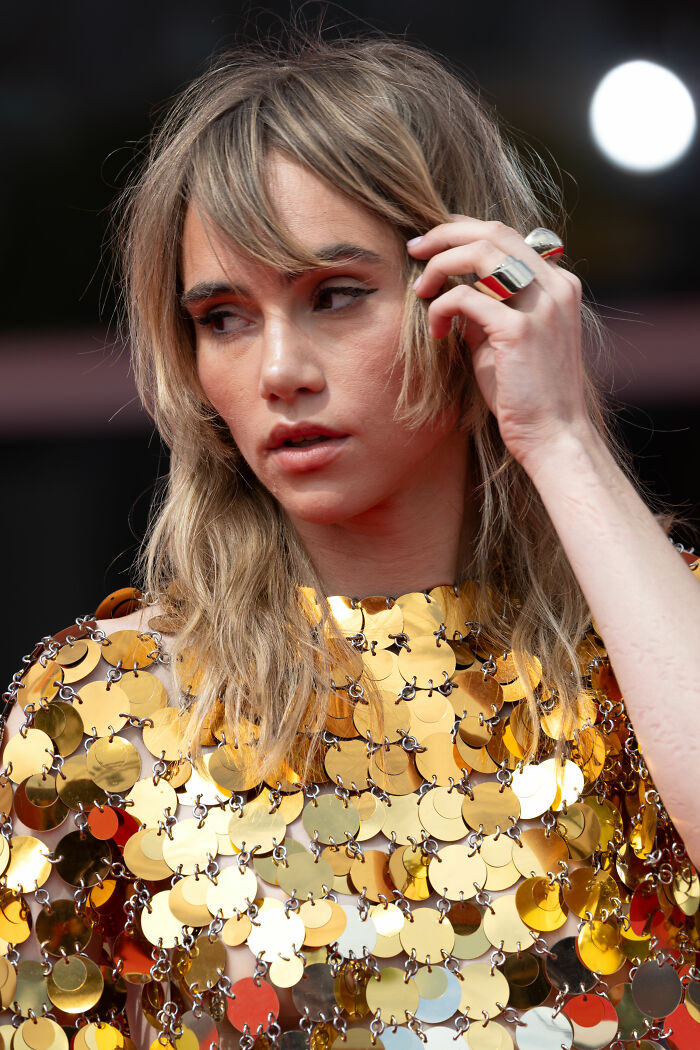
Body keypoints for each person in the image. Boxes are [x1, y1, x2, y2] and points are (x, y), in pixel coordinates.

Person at [2, 32, 699, 1050]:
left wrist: (557, 433)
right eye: (224, 317)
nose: (279, 369)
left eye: (335, 296)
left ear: (473, 299)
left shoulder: (649, 645)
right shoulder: (103, 710)